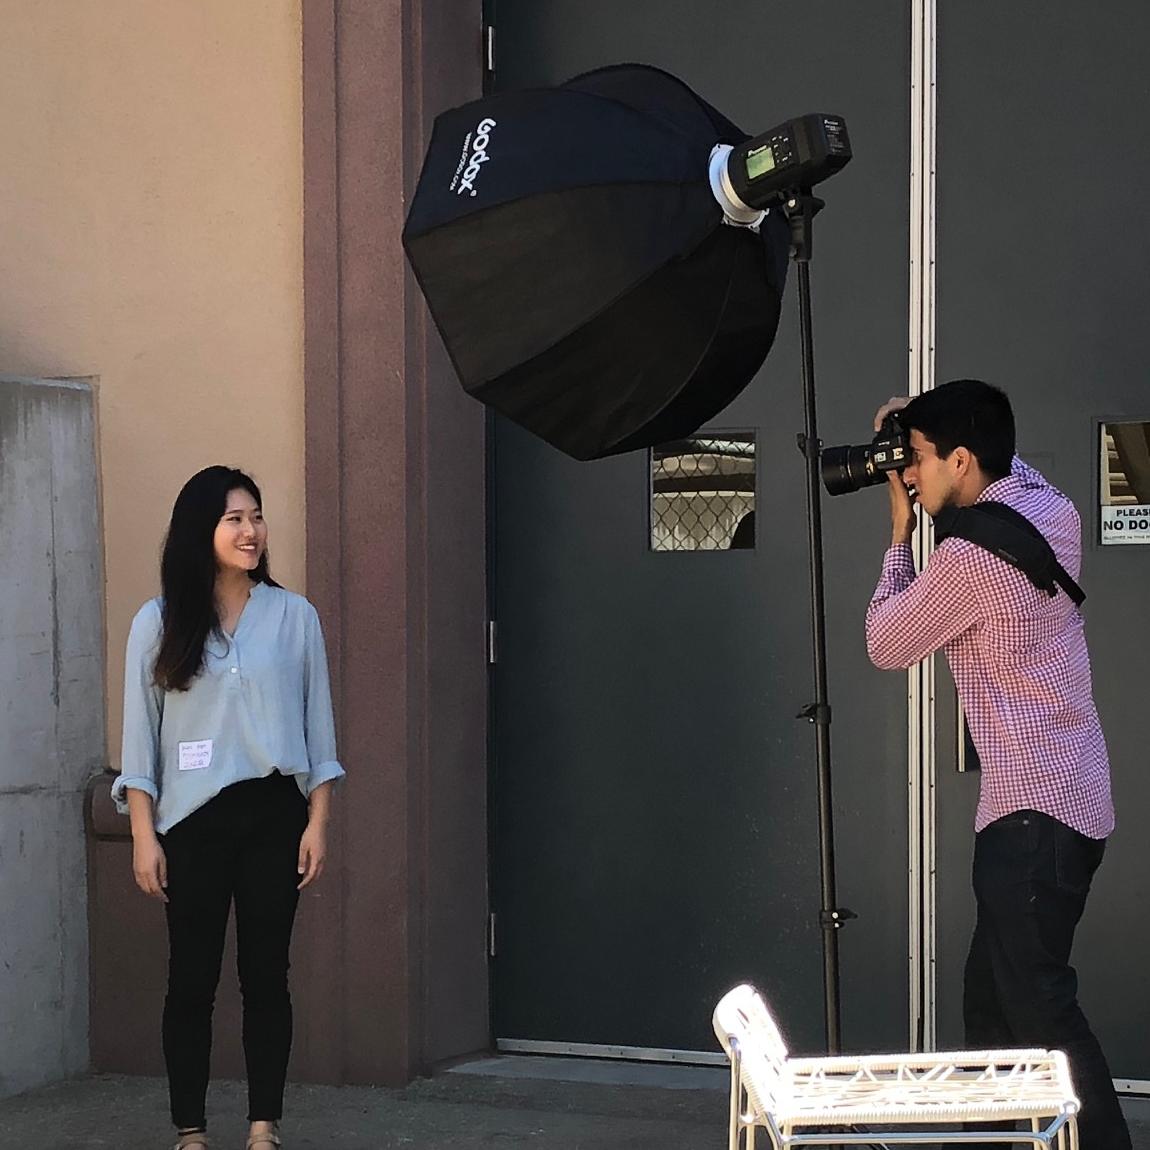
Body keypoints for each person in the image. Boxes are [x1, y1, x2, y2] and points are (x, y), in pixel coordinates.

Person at [864, 380, 1129, 1149]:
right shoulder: (1048, 508)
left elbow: (886, 642)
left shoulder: (972, 559)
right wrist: (913, 427)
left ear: (963, 458)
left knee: (1041, 1009)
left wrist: (895, 535)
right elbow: (993, 460)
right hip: (1073, 799)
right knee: (993, 1003)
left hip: (1029, 820)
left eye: (915, 459)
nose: (908, 473)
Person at [112, 466, 345, 1150]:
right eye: (233, 519)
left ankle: (263, 1125)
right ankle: (190, 1129)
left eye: (256, 516)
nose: (251, 531)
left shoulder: (294, 616)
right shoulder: (157, 623)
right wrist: (142, 836)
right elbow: (139, 740)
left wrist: (318, 822)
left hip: (275, 814)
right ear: (200, 531)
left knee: (267, 975)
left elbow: (319, 728)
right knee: (192, 979)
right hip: (192, 823)